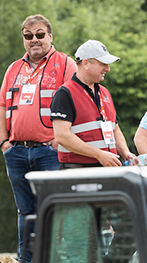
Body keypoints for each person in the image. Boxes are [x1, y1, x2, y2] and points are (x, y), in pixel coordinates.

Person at [0, 15, 75, 263]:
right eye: (28, 36)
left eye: (40, 35)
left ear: (50, 36)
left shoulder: (65, 64)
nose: (34, 40)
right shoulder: (14, 68)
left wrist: (58, 140)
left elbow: (77, 104)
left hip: (49, 150)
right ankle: (27, 261)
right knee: (25, 210)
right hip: (16, 150)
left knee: (52, 207)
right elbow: (2, 108)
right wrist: (4, 143)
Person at [50, 40, 134, 168]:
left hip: (106, 166)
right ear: (86, 63)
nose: (108, 69)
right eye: (103, 64)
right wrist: (98, 154)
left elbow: (115, 129)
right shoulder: (65, 93)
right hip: (78, 170)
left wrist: (126, 153)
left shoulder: (104, 92)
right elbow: (62, 136)